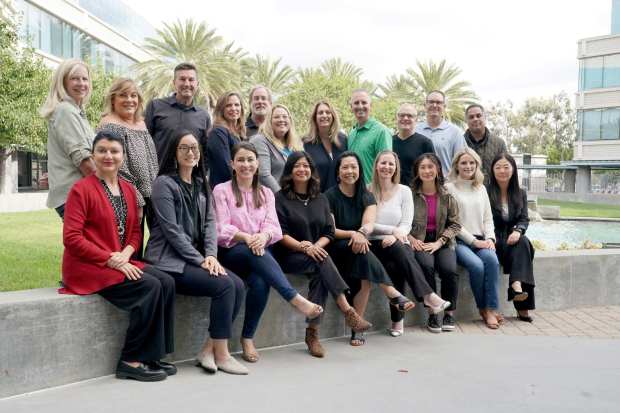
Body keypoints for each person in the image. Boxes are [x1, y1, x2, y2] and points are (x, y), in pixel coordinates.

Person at [61, 130, 175, 382]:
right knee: (149, 286)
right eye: (102, 150)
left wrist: (125, 254)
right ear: (93, 154)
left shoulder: (127, 188)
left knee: (166, 281)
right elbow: (72, 238)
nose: (108, 156)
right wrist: (111, 259)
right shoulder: (81, 190)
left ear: (123, 156)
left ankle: (152, 354)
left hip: (119, 260)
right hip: (88, 265)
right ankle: (130, 359)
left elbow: (135, 230)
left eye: (114, 151)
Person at [145, 129, 248, 375]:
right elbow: (172, 232)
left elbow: (210, 224)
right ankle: (222, 355)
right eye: (184, 148)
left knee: (238, 285)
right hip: (168, 261)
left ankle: (208, 350)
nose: (190, 152)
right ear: (174, 152)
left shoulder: (202, 185)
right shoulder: (163, 185)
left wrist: (211, 256)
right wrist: (202, 260)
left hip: (198, 258)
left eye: (194, 148)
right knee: (224, 285)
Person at [213, 142, 323, 363]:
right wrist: (246, 237)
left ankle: (247, 338)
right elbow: (220, 228)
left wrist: (262, 237)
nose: (246, 164)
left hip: (259, 252)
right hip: (232, 253)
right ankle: (294, 299)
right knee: (252, 252)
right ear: (232, 164)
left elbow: (274, 227)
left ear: (258, 163)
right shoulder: (222, 190)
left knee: (261, 282)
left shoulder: (265, 193)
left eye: (250, 160)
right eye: (241, 160)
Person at [275, 152, 372, 357]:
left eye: (306, 166)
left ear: (312, 171)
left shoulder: (320, 198)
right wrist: (305, 247)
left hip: (315, 255)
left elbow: (329, 231)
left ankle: (313, 334)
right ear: (290, 171)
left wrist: (316, 246)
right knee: (322, 258)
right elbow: (280, 233)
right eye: (297, 166)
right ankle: (348, 310)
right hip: (290, 254)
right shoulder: (280, 198)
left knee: (320, 271)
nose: (302, 169)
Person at [325, 151, 415, 346]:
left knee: (365, 279)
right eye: (345, 167)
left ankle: (357, 329)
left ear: (360, 170)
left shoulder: (366, 195)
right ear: (338, 172)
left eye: (354, 167)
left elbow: (368, 224)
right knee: (362, 249)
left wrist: (361, 233)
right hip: (337, 248)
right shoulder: (329, 196)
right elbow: (331, 231)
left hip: (359, 248)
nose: (350, 171)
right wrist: (354, 234)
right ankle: (392, 293)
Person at [368, 151, 450, 336]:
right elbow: (367, 224)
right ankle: (428, 296)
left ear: (396, 167)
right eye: (383, 163)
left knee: (396, 263)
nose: (387, 167)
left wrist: (397, 235)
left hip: (397, 242)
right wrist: (391, 232)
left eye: (391, 164)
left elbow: (406, 223)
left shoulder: (404, 191)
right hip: (374, 244)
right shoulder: (367, 190)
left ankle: (398, 321)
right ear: (376, 166)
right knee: (399, 252)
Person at [98, 78, 158, 254]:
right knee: (132, 246)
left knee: (158, 242)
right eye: (123, 95)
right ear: (113, 99)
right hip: (128, 195)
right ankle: (132, 279)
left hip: (151, 193)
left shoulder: (141, 123)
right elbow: (116, 168)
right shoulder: (110, 124)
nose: (129, 100)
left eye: (134, 96)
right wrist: (137, 199)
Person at [446, 148, 501, 329]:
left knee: (492, 260)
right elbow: (453, 222)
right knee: (476, 266)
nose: (468, 166)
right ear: (456, 166)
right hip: (460, 241)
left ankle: (492, 308)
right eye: (464, 163)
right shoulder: (449, 188)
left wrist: (491, 239)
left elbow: (488, 218)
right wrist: (474, 241)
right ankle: (482, 308)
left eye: (472, 163)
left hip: (482, 239)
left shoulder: (481, 188)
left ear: (476, 165)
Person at [408, 153, 461, 333]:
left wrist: (440, 242)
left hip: (442, 241)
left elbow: (455, 224)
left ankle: (449, 314)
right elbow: (401, 220)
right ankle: (432, 313)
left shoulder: (446, 194)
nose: (427, 171)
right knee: (426, 266)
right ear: (417, 171)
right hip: (419, 241)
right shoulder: (410, 194)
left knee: (449, 270)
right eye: (423, 167)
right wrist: (410, 238)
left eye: (431, 167)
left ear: (438, 169)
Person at [40, 58, 96, 219]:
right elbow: (84, 160)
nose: (81, 83)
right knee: (94, 243)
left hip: (76, 195)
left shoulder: (75, 111)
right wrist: (108, 190)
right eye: (74, 78)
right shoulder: (66, 111)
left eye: (84, 79)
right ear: (63, 82)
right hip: (76, 197)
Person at [487, 153, 536, 322]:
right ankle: (522, 304)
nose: (502, 170)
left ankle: (516, 286)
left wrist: (518, 231)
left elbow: (524, 219)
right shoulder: (485, 191)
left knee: (523, 242)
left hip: (513, 240)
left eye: (506, 167)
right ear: (492, 170)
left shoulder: (520, 193)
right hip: (492, 239)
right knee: (524, 250)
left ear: (513, 169)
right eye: (498, 167)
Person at [144, 62, 211, 160]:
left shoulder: (204, 116)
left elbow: (205, 151)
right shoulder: (155, 106)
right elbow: (144, 142)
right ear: (174, 83)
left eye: (191, 80)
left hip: (190, 175)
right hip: (158, 174)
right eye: (182, 79)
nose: (187, 84)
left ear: (197, 84)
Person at [250, 104, 303, 193]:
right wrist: (282, 197)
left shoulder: (296, 145)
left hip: (296, 198)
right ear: (269, 121)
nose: (281, 120)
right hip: (272, 199)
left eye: (285, 117)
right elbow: (263, 175)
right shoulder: (260, 141)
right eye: (277, 117)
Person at [415, 90, 467, 174]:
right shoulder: (415, 130)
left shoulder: (454, 132)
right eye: (431, 102)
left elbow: (462, 161)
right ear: (425, 105)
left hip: (445, 184)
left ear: (444, 106)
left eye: (438, 102)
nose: (434, 105)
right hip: (418, 185)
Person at [347, 89, 392, 184]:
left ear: (371, 106)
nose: (360, 106)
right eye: (356, 103)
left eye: (364, 102)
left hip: (373, 193)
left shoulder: (381, 131)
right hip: (354, 191)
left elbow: (387, 168)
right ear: (351, 107)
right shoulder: (352, 133)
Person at [303, 100, 347, 192]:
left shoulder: (343, 140)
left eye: (328, 112)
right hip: (317, 198)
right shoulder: (306, 143)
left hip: (342, 197)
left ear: (333, 116)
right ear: (315, 117)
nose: (324, 115)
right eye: (320, 113)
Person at [206, 91, 246, 187]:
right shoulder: (218, 132)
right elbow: (225, 166)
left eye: (237, 105)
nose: (233, 108)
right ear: (221, 109)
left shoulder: (240, 133)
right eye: (228, 105)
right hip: (225, 190)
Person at [463, 104, 508, 184]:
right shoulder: (460, 142)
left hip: (492, 193)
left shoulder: (499, 143)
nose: (475, 119)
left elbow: (505, 168)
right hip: (466, 191)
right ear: (466, 121)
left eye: (478, 115)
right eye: (471, 117)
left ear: (485, 118)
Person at [392, 103, 434, 186]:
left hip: (416, 193)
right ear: (396, 118)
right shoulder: (389, 141)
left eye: (410, 116)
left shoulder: (425, 143)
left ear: (416, 119)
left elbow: (433, 170)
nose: (405, 118)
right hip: (392, 192)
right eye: (401, 115)